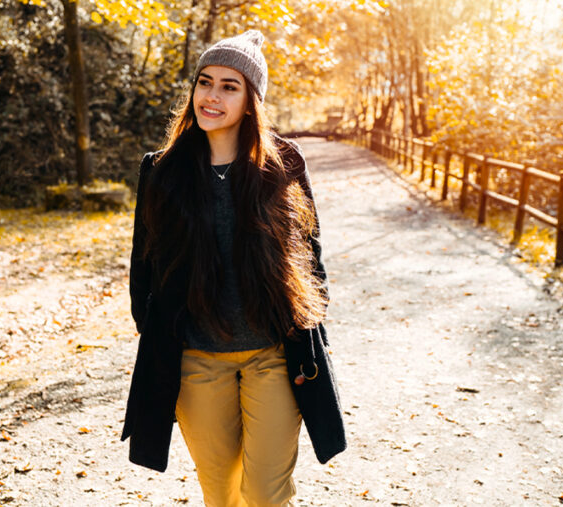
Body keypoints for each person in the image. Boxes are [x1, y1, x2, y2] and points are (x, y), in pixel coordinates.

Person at [121, 30, 346, 506]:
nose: (212, 96)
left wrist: (313, 339)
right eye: (206, 82)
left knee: (266, 494)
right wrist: (161, 337)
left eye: (229, 86)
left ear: (251, 100)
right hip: (197, 361)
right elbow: (143, 268)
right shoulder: (162, 170)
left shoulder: (282, 163)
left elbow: (311, 258)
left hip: (273, 356)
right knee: (221, 495)